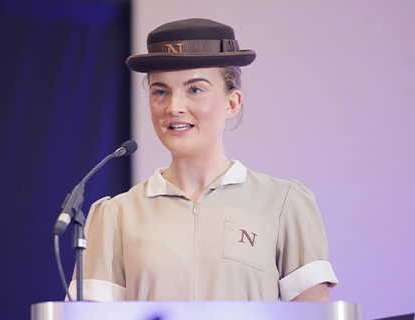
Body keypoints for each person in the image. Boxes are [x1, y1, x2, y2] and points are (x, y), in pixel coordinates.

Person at [68, 18, 338, 302]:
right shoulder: (115, 216)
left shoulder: (285, 203)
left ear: (231, 103)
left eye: (194, 89)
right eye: (160, 91)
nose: (174, 107)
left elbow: (314, 314)